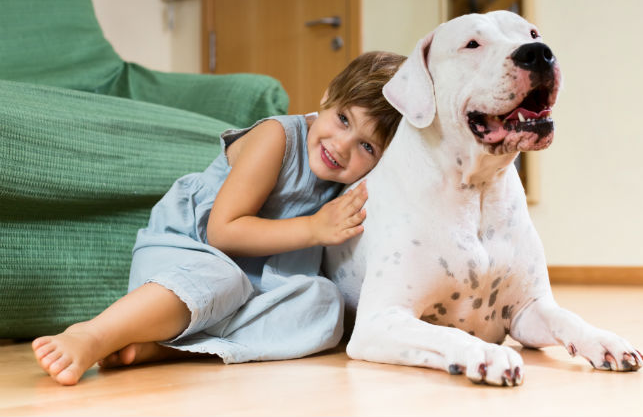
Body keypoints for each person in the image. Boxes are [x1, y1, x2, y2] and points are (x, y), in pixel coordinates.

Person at [32, 51, 407, 386]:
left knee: (324, 305)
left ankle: (172, 350)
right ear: (327, 97)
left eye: (367, 146)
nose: (341, 146)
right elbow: (222, 232)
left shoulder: (347, 182)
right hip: (186, 256)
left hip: (251, 284)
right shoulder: (278, 137)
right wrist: (313, 228)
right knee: (223, 277)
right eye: (343, 119)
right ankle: (93, 335)